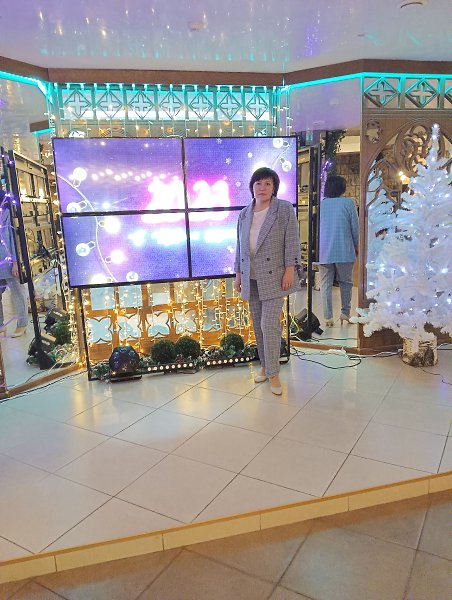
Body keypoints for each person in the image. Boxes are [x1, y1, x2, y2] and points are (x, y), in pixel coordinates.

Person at [234, 167, 301, 395]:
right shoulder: (244, 213)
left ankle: (273, 373)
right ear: (252, 186)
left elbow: (292, 240)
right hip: (251, 276)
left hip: (275, 276)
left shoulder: (283, 209)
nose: (262, 188)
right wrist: (238, 274)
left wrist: (290, 270)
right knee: (258, 324)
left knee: (269, 325)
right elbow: (240, 247)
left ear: (274, 188)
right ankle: (264, 365)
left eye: (267, 184)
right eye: (258, 183)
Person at [318, 175, 359, 327]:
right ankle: (345, 313)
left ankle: (327, 317)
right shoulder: (348, 203)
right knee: (346, 282)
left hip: (323, 250)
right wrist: (357, 245)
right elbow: (355, 227)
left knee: (325, 283)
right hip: (344, 248)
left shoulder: (321, 205)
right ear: (342, 188)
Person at [0, 191, 28, 337]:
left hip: (10, 262)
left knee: (17, 293)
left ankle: (22, 324)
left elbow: (14, 241)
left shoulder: (9, 217)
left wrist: (16, 262)